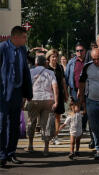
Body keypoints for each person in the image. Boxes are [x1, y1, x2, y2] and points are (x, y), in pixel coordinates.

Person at [0, 26, 33, 167]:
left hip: (17, 94)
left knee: (15, 126)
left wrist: (26, 93)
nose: (26, 40)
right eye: (24, 37)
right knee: (1, 125)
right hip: (2, 94)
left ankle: (11, 153)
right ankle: (1, 155)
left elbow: (25, 71)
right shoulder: (2, 48)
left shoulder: (22, 50)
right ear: (16, 37)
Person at [26, 55, 59, 156]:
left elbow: (26, 87)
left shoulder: (30, 72)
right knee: (46, 124)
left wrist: (23, 100)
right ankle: (46, 148)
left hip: (33, 99)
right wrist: (56, 101)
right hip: (47, 100)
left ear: (36, 63)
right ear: (45, 63)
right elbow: (55, 87)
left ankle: (30, 145)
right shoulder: (50, 72)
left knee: (31, 122)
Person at [46, 49, 69, 145]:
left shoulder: (59, 67)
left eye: (56, 56)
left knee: (58, 116)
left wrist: (66, 94)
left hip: (59, 94)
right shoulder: (46, 68)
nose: (55, 58)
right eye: (53, 57)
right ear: (49, 58)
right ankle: (48, 136)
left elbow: (63, 81)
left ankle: (55, 136)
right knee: (49, 117)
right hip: (49, 95)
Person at [65, 43, 88, 132]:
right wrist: (66, 91)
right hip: (74, 90)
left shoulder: (88, 61)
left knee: (86, 109)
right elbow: (67, 76)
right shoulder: (71, 62)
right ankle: (76, 126)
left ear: (84, 51)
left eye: (81, 50)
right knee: (76, 108)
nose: (79, 52)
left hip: (87, 89)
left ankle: (83, 126)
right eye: (77, 51)